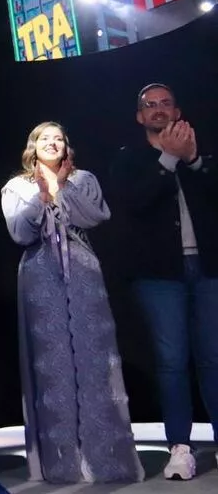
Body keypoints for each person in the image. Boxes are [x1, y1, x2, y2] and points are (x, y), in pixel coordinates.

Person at [1, 122, 142, 483]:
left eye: (58, 138)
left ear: (67, 146)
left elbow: (96, 215)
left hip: (82, 270)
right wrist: (42, 197)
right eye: (45, 138)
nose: (52, 143)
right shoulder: (17, 187)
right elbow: (20, 233)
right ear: (33, 146)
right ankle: (60, 462)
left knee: (94, 356)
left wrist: (62, 187)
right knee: (51, 361)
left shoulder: (83, 180)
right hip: (39, 273)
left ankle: (104, 458)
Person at [110, 83, 218, 481]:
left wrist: (193, 160)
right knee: (172, 361)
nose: (158, 109)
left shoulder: (199, 154)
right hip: (158, 274)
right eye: (150, 105)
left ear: (178, 110)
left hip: (208, 268)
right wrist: (169, 159)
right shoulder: (129, 159)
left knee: (214, 357)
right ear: (140, 116)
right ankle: (180, 447)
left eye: (165, 103)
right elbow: (134, 203)